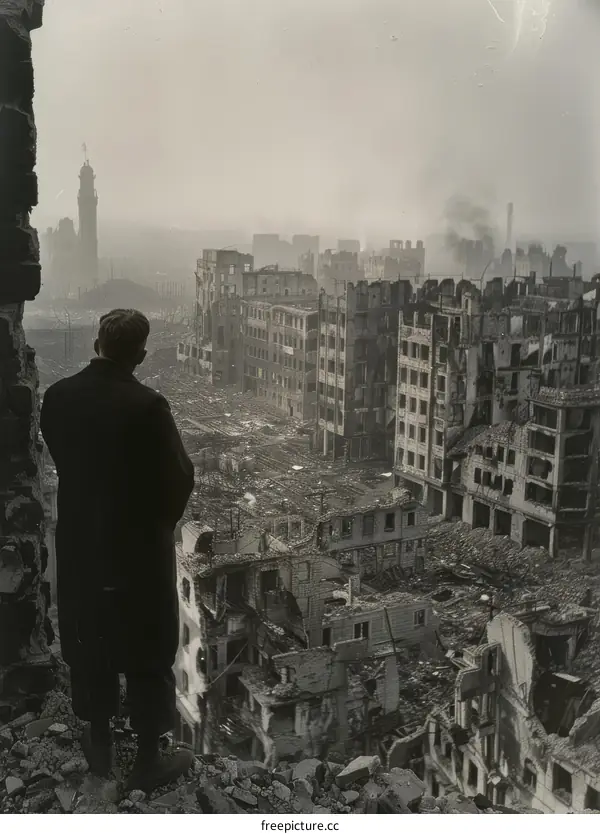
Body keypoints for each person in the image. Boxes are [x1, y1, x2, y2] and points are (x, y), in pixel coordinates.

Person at [40, 308, 195, 792]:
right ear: (142, 355)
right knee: (148, 643)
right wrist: (156, 527)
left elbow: (61, 454)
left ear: (96, 344)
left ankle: (100, 741)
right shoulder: (149, 406)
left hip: (84, 541)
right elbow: (179, 478)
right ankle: (149, 757)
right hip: (137, 550)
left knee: (91, 633)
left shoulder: (59, 397)